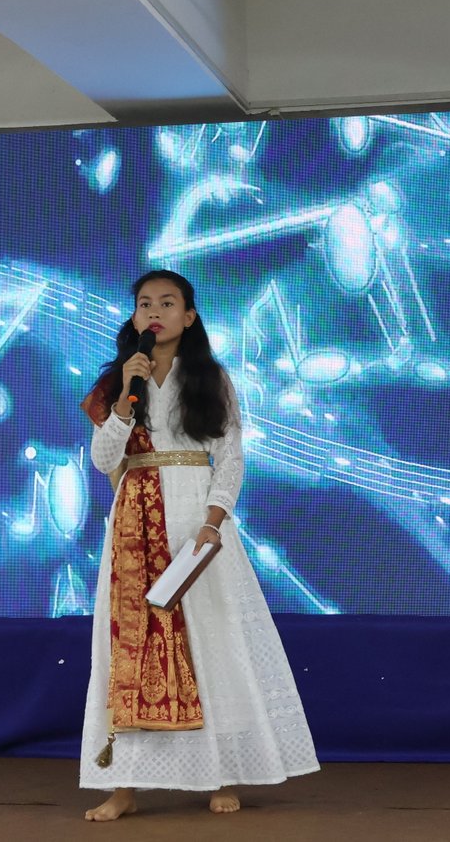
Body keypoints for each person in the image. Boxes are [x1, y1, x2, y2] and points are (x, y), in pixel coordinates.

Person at [78, 269, 320, 821]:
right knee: (129, 649)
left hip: (196, 520)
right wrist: (125, 400)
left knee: (213, 639)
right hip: (135, 525)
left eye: (167, 303)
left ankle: (222, 773)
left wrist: (213, 523)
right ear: (134, 316)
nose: (154, 312)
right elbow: (104, 459)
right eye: (144, 303)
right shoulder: (117, 383)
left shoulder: (211, 379)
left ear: (189, 316)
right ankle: (123, 785)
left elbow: (229, 456)